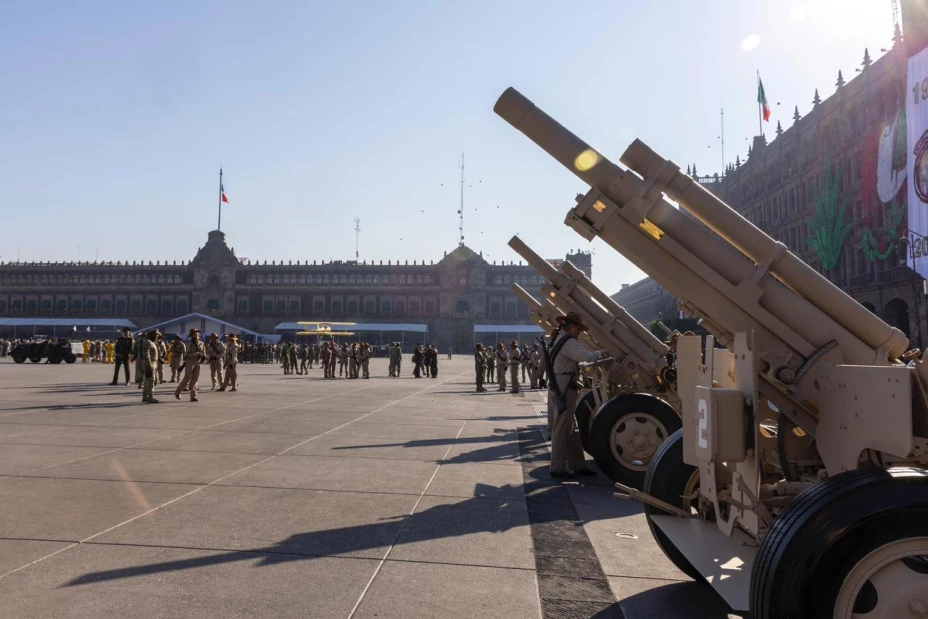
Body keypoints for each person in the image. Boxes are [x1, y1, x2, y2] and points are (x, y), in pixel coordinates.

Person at [548, 312, 603, 478]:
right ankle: (557, 467)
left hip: (560, 384)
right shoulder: (568, 341)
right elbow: (585, 356)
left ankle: (578, 465)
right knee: (561, 428)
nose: (580, 333)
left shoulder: (559, 339)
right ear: (571, 326)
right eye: (578, 329)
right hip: (565, 386)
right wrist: (601, 353)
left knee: (571, 428)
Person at [175, 329, 206, 402]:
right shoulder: (190, 343)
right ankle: (178, 391)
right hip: (190, 361)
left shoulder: (201, 343)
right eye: (193, 334)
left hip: (198, 362)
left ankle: (193, 396)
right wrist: (197, 354)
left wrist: (204, 355)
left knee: (195, 379)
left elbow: (204, 352)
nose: (196, 335)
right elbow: (188, 354)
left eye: (196, 333)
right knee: (187, 378)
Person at [140, 331, 160, 404]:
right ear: (152, 335)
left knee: (147, 381)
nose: (157, 337)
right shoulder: (148, 342)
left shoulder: (152, 342)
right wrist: (149, 365)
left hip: (153, 363)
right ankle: (150, 397)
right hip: (150, 363)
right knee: (151, 381)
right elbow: (147, 354)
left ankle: (145, 396)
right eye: (156, 335)